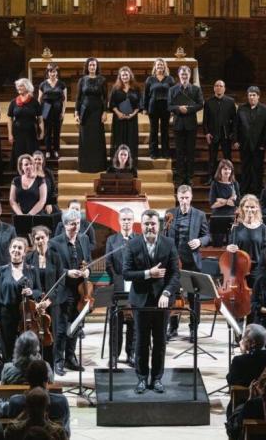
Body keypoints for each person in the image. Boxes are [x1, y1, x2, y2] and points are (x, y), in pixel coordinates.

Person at [123, 209, 180, 394]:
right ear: (142, 225)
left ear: (159, 225)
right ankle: (141, 378)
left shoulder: (169, 243)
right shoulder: (132, 244)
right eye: (146, 224)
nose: (150, 227)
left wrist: (166, 293)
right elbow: (126, 273)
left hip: (162, 301)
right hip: (140, 301)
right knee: (141, 341)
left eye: (153, 224)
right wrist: (149, 274)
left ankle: (156, 378)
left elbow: (175, 274)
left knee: (160, 342)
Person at [163, 185, 210, 341]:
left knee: (193, 297)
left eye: (187, 198)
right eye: (181, 198)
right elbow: (164, 236)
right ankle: (173, 327)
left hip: (191, 262)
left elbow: (207, 236)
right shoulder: (170, 213)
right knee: (173, 295)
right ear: (177, 197)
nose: (184, 201)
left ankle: (193, 328)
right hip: (174, 262)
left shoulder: (200, 215)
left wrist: (199, 241)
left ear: (191, 198)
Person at [48, 209, 92, 376]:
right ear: (65, 224)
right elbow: (52, 269)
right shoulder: (55, 243)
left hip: (81, 290)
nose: (76, 227)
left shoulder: (84, 239)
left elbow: (86, 261)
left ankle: (70, 357)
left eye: (78, 223)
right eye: (73, 224)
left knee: (76, 325)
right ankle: (57, 360)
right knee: (61, 328)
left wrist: (87, 271)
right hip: (63, 290)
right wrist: (67, 272)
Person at [0, 238, 42, 362]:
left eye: (19, 248)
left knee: (27, 350)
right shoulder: (1, 271)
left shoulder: (32, 270)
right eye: (14, 247)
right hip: (6, 316)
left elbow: (39, 291)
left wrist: (31, 292)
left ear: (24, 252)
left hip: (26, 316)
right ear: (9, 250)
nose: (16, 250)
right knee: (8, 351)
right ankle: (10, 376)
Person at [25, 225, 63, 368]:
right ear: (33, 240)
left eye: (42, 237)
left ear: (48, 238)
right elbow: (27, 281)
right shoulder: (29, 258)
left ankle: (50, 370)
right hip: (35, 304)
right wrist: (37, 297)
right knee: (35, 338)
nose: (40, 240)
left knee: (50, 337)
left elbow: (61, 282)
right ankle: (35, 368)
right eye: (37, 238)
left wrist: (48, 300)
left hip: (52, 304)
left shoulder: (55, 257)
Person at [104, 208, 137, 367]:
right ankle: (114, 356)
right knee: (116, 323)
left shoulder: (139, 239)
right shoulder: (112, 240)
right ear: (119, 221)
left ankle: (131, 354)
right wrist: (117, 279)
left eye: (129, 219)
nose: (126, 222)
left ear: (133, 221)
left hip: (135, 286)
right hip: (117, 286)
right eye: (123, 219)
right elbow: (108, 262)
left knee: (134, 323)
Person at [7, 360, 70, 436]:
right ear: (47, 379)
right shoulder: (61, 401)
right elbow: (66, 432)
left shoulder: (15, 402)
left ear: (28, 380)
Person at [168, 65, 203, 185]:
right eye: (182, 74)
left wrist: (188, 109)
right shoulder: (172, 90)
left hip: (190, 124)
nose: (184, 76)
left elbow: (200, 104)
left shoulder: (196, 89)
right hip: (178, 124)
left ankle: (189, 176)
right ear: (179, 75)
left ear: (189, 75)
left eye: (186, 74)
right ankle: (180, 177)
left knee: (190, 151)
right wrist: (178, 108)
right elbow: (169, 106)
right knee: (179, 152)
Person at [225, 194, 266, 287]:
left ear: (257, 208)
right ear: (242, 208)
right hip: (238, 268)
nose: (249, 210)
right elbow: (229, 246)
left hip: (256, 269)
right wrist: (229, 248)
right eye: (247, 207)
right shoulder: (236, 226)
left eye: (252, 207)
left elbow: (265, 249)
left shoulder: (262, 228)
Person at [235, 86, 266, 195]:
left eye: (254, 95)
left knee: (257, 169)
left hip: (258, 145)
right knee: (244, 167)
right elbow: (237, 125)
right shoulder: (241, 108)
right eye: (249, 95)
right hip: (244, 144)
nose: (251, 97)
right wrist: (236, 140)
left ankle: (257, 191)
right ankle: (244, 190)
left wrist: (264, 144)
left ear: (258, 96)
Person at [75, 57, 108, 172]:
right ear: (87, 67)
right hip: (85, 112)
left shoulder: (102, 80)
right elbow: (78, 98)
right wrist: (76, 112)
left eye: (94, 65)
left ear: (97, 67)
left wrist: (105, 112)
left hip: (97, 112)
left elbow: (105, 97)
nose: (92, 67)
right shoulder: (82, 80)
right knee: (85, 138)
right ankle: (85, 166)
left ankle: (98, 166)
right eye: (90, 65)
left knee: (97, 138)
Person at [203, 80, 236, 184]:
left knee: (227, 158)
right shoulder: (208, 102)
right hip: (213, 134)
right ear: (214, 88)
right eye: (216, 86)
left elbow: (234, 120)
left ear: (224, 88)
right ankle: (211, 178)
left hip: (226, 135)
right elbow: (205, 120)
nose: (218, 87)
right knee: (212, 158)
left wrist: (232, 134)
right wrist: (207, 133)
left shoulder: (230, 102)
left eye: (221, 86)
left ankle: (230, 178)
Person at [143, 58, 175, 159]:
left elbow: (173, 95)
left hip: (166, 107)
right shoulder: (150, 79)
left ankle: (165, 152)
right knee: (154, 131)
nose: (160, 66)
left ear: (164, 67)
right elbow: (146, 95)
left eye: (161, 65)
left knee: (165, 131)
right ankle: (153, 153)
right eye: (158, 65)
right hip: (153, 107)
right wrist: (145, 108)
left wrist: (173, 109)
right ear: (155, 67)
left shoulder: (170, 79)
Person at [109, 66, 141, 164]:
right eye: (122, 75)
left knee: (131, 140)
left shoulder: (136, 88)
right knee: (119, 140)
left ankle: (131, 164)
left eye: (126, 75)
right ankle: (118, 163)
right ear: (120, 76)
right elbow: (112, 104)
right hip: (119, 119)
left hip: (132, 119)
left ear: (130, 75)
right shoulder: (115, 88)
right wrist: (118, 113)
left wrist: (133, 114)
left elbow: (139, 104)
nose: (125, 77)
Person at [8, 78, 43, 169]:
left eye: (21, 85)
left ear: (27, 87)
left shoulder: (34, 102)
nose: (19, 87)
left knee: (31, 152)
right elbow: (9, 119)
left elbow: (40, 118)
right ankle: (20, 174)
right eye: (18, 86)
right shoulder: (13, 102)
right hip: (18, 133)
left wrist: (42, 131)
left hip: (31, 133)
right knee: (19, 153)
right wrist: (10, 134)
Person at [38, 62, 66, 159]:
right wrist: (39, 113)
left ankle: (56, 150)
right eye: (51, 72)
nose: (52, 74)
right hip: (46, 109)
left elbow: (64, 99)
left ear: (57, 73)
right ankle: (48, 150)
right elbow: (39, 99)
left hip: (57, 109)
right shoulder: (43, 84)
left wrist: (63, 112)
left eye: (54, 72)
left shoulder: (62, 84)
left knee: (57, 131)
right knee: (47, 131)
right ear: (48, 73)